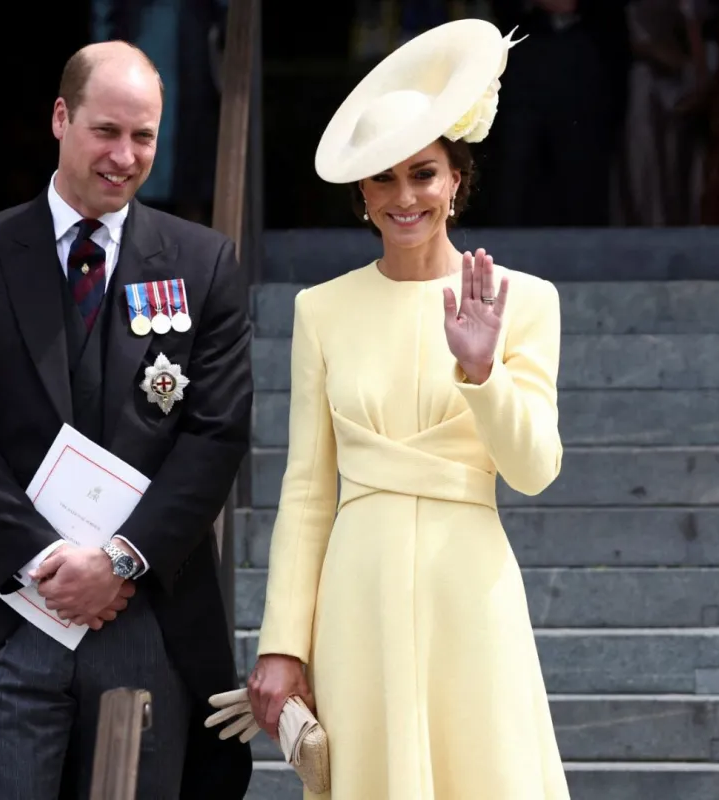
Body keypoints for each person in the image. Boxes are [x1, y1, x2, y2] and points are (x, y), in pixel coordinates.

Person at [0, 41, 253, 798]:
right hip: (13, 619)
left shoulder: (203, 264)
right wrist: (45, 567)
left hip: (146, 622)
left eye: (144, 137)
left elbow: (215, 435)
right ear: (61, 118)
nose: (125, 156)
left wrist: (120, 560)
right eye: (106, 131)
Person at [244, 19, 569, 798]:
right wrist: (283, 642)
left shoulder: (524, 301)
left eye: (423, 173)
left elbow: (534, 470)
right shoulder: (322, 310)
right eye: (384, 179)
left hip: (470, 582)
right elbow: (307, 488)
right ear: (362, 193)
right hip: (359, 594)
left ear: (456, 178)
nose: (405, 197)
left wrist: (482, 370)